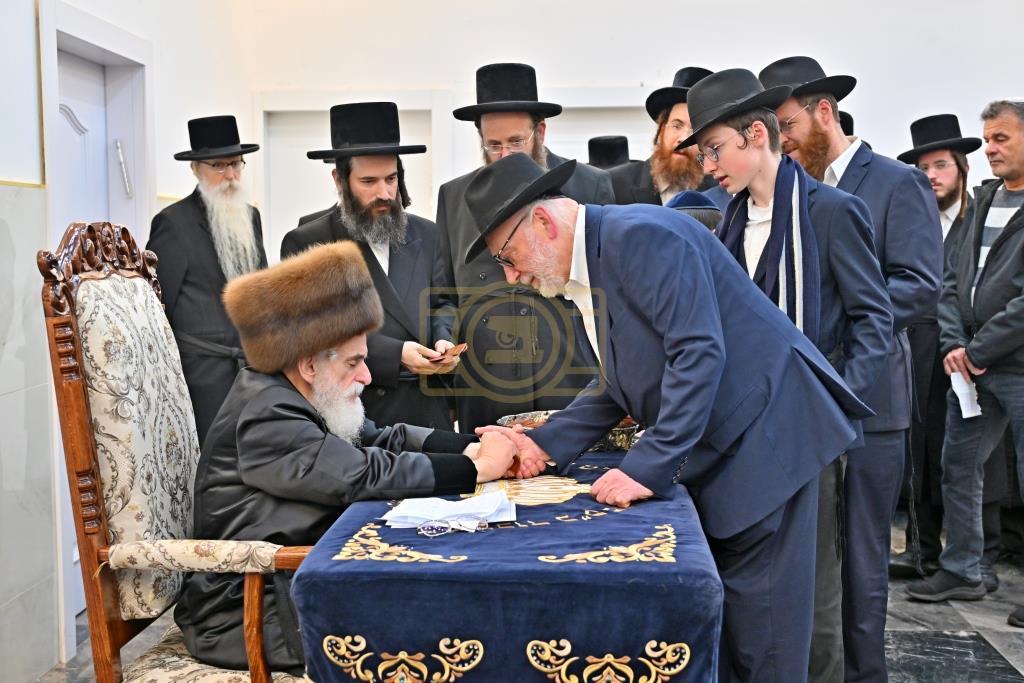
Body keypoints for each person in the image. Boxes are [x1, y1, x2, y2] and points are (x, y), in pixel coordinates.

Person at [469, 150, 873, 683]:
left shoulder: (642, 237)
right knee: (737, 631)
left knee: (766, 636)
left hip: (770, 439)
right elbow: (618, 380)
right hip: (735, 441)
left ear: (543, 222)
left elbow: (697, 353)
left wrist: (645, 467)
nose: (512, 275)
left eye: (507, 255)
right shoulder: (595, 257)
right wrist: (546, 442)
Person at [174, 241, 516, 673]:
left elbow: (380, 438)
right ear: (309, 365)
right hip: (253, 608)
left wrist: (471, 445)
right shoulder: (266, 411)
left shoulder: (296, 389)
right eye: (354, 363)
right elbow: (358, 474)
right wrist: (477, 469)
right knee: (441, 621)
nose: (367, 376)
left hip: (299, 580)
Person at [679, 68, 893, 683]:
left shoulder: (832, 212)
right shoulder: (725, 223)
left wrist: (836, 402)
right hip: (744, 433)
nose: (709, 168)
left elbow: (873, 319)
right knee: (755, 586)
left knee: (815, 589)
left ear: (755, 135)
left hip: (809, 429)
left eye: (714, 149)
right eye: (702, 155)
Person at [760, 56, 943, 683]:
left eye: (787, 126)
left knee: (862, 562)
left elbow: (920, 285)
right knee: (813, 560)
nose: (782, 141)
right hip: (803, 400)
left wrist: (836, 319)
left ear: (824, 112)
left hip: (872, 402)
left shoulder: (896, 181)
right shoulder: (786, 191)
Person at [434, 62, 615, 433]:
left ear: (541, 132)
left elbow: (612, 291)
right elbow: (445, 295)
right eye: (493, 145)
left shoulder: (591, 187)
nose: (506, 156)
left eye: (517, 142)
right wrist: (442, 340)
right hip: (486, 390)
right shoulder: (453, 197)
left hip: (575, 386)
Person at [905, 101, 1024, 629]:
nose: (992, 148)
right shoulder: (987, 200)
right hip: (973, 369)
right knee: (958, 465)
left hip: (1010, 365)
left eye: (1002, 138)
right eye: (988, 139)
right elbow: (952, 280)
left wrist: (975, 350)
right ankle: (963, 570)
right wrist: (957, 342)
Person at [281, 102, 457, 429]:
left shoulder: (427, 234)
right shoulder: (309, 242)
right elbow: (315, 332)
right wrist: (396, 353)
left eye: (391, 178)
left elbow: (442, 302)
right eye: (368, 181)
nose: (384, 193)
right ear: (339, 179)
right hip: (356, 415)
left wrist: (443, 338)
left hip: (426, 411)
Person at [890, 115, 1006, 590]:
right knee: (920, 444)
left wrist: (963, 342)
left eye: (940, 165)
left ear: (961, 167)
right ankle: (922, 548)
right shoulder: (912, 216)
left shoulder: (980, 212)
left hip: (971, 347)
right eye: (923, 168)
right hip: (922, 343)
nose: (932, 176)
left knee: (974, 454)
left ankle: (983, 557)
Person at [147, 115, 267, 445]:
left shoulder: (251, 216)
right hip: (202, 378)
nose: (230, 175)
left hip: (253, 371)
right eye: (218, 165)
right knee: (213, 459)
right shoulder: (172, 223)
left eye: (235, 163)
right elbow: (157, 308)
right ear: (196, 169)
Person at [608, 66, 715, 205]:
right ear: (662, 129)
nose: (683, 139)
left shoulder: (718, 192)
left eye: (696, 130)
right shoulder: (614, 184)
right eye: (677, 126)